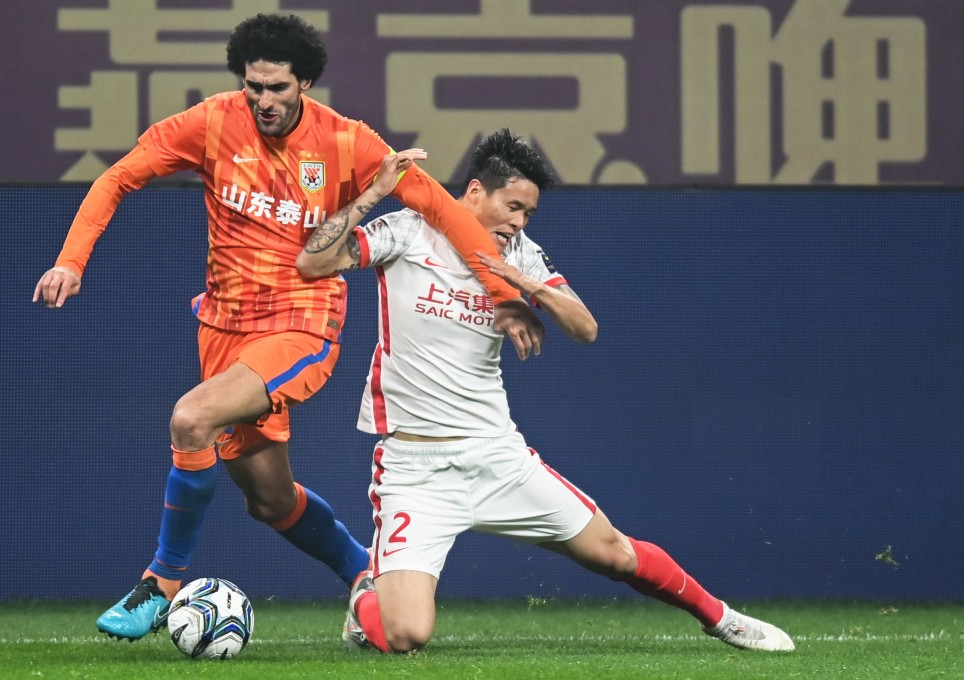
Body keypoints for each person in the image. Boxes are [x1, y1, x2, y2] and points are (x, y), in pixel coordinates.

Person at [32, 14, 543, 641]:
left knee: (191, 419)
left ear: (305, 82)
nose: (264, 100)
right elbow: (119, 177)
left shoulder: (347, 142)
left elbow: (441, 206)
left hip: (302, 323)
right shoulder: (211, 122)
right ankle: (361, 572)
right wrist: (70, 260)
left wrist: (500, 292)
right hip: (223, 325)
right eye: (254, 87)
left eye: (278, 87)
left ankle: (160, 583)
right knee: (269, 500)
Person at [296, 129, 796, 654]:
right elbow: (314, 262)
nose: (519, 221)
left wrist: (523, 284)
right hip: (415, 469)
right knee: (404, 635)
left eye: (528, 213)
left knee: (614, 553)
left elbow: (586, 328)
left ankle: (721, 618)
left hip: (496, 456)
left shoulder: (523, 255)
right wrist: (375, 192)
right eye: (512, 206)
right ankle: (364, 597)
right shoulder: (407, 231)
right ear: (473, 193)